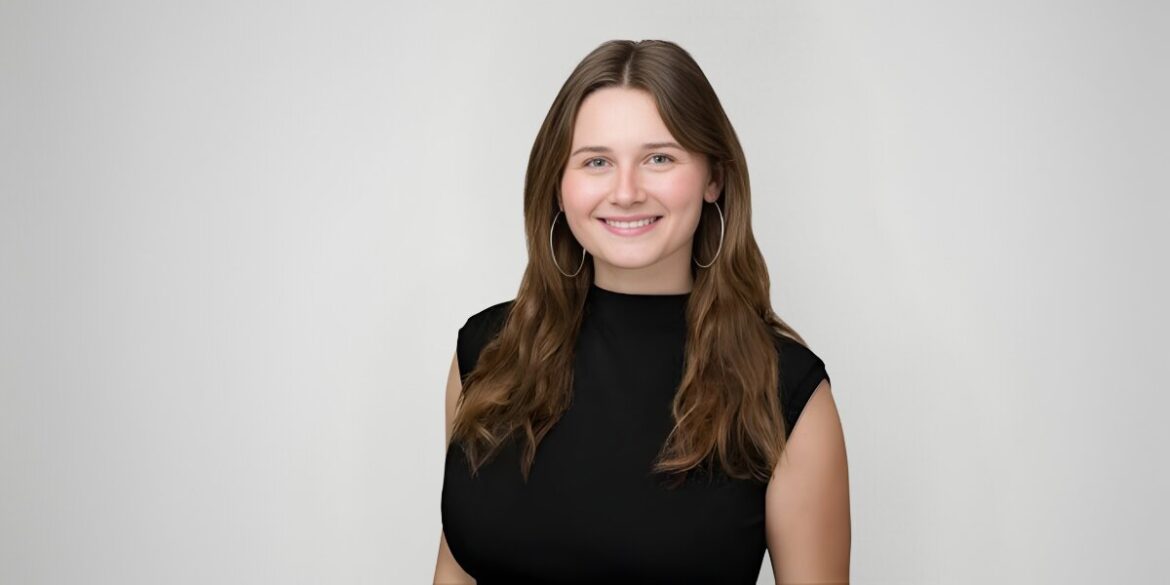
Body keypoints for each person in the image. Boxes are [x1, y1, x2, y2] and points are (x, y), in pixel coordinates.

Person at [433, 39, 850, 585]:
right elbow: (455, 571)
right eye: (597, 161)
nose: (626, 192)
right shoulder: (487, 353)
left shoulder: (785, 391)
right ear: (558, 185)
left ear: (714, 178)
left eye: (659, 158)